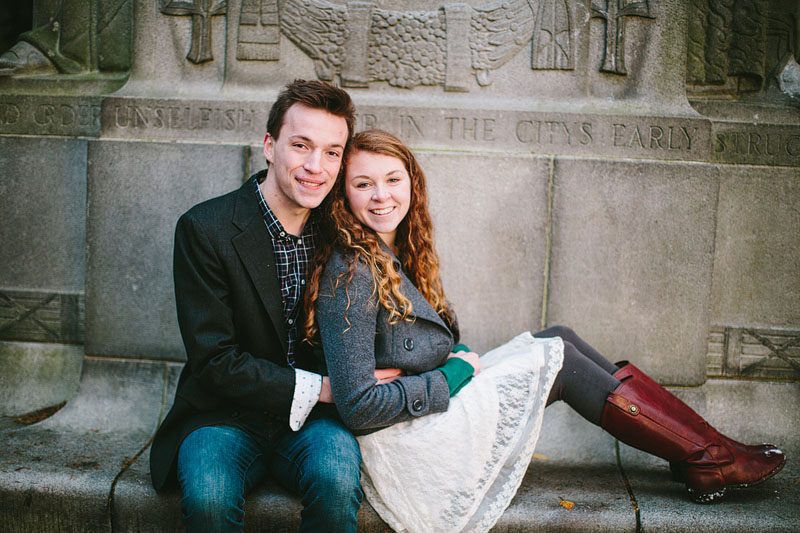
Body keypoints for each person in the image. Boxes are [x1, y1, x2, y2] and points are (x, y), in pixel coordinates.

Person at [304, 129, 787, 531]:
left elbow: (435, 340)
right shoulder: (350, 274)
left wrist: (457, 358)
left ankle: (707, 451)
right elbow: (359, 406)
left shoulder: (400, 249)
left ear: (412, 184)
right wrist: (453, 374)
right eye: (364, 184)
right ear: (344, 194)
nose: (382, 195)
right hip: (407, 437)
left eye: (392, 179)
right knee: (560, 362)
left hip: (425, 407)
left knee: (557, 335)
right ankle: (710, 457)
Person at [150, 80, 383, 533]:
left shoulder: (346, 229)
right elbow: (214, 360)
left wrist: (446, 358)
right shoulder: (205, 229)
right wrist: (324, 388)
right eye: (301, 145)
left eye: (332, 152)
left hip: (318, 424)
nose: (316, 166)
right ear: (270, 146)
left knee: (337, 481)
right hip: (222, 414)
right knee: (209, 497)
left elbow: (405, 303)